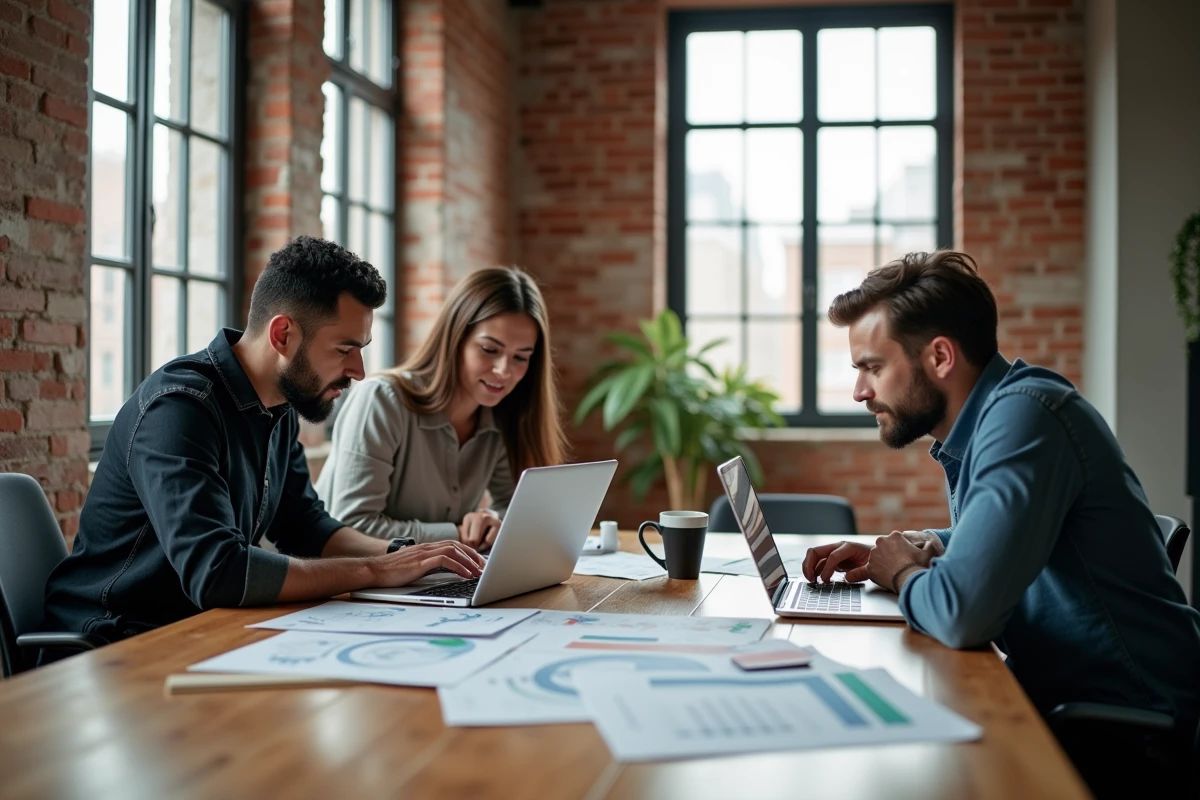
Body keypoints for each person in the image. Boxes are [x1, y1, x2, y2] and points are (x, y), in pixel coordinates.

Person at [801, 250, 1200, 793]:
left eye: (872, 367)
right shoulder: (996, 418)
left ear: (940, 356)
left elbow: (963, 615)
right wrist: (917, 547)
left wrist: (901, 573)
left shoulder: (1025, 420)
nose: (860, 392)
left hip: (1127, 732)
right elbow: (1007, 540)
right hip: (1068, 703)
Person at [42, 236, 484, 647]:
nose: (359, 371)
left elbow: (304, 526)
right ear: (282, 335)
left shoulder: (277, 405)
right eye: (344, 349)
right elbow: (217, 572)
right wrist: (374, 570)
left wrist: (408, 558)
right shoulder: (179, 409)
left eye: (362, 348)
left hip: (199, 630)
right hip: (111, 641)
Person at [315, 267, 566, 551]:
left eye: (521, 357)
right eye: (489, 349)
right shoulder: (382, 400)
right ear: (456, 339)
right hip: (344, 586)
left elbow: (519, 512)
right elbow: (353, 527)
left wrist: (490, 521)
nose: (503, 371)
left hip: (429, 583)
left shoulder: (501, 415)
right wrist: (457, 534)